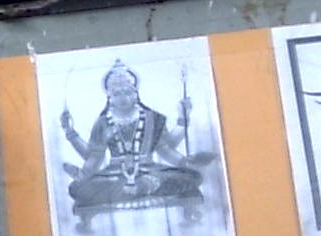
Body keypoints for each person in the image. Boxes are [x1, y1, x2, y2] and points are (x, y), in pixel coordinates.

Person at [65, 59, 212, 208]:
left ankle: (140, 187)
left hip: (150, 172)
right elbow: (94, 156)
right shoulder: (102, 123)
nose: (124, 98)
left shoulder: (153, 118)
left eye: (128, 92)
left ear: (136, 94)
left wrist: (183, 119)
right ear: (110, 98)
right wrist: (70, 132)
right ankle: (141, 189)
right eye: (117, 94)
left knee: (192, 177)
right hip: (115, 175)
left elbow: (166, 149)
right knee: (77, 188)